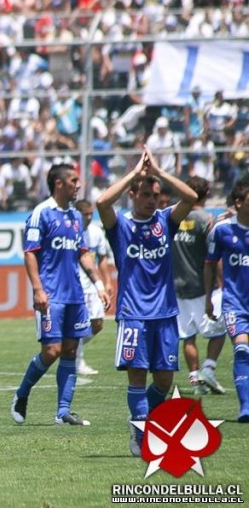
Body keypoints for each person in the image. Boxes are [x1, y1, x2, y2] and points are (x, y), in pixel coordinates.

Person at [96, 146, 197, 456]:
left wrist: (159, 173)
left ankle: (142, 420)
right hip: (133, 314)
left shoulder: (165, 221)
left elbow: (191, 198)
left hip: (165, 314)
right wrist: (134, 175)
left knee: (164, 381)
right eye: (146, 195)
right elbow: (101, 201)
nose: (153, 200)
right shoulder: (121, 226)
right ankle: (140, 437)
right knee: (138, 376)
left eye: (156, 195)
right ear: (133, 196)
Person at [10, 165, 110, 428]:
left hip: (75, 295)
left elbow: (83, 253)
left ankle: (63, 412)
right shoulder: (41, 213)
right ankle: (22, 393)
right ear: (58, 183)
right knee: (51, 351)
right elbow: (30, 252)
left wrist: (99, 284)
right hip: (51, 296)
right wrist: (38, 289)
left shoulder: (77, 217)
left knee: (70, 350)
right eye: (74, 180)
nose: (79, 185)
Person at [172, 177, 226, 396]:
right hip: (202, 286)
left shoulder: (172, 217)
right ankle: (208, 368)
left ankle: (195, 379)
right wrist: (222, 283)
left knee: (188, 335)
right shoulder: (206, 220)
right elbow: (213, 257)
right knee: (219, 329)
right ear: (206, 194)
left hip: (177, 286)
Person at [205, 178, 249, 423]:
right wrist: (209, 299)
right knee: (242, 351)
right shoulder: (222, 231)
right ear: (239, 203)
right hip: (235, 304)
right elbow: (209, 265)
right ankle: (246, 407)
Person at [74, 199, 113, 376]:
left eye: (91, 213)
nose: (89, 217)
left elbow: (102, 258)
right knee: (79, 323)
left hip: (93, 285)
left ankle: (70, 346)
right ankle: (78, 361)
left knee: (97, 324)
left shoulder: (96, 232)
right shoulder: (71, 231)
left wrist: (107, 282)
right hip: (76, 285)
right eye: (86, 214)